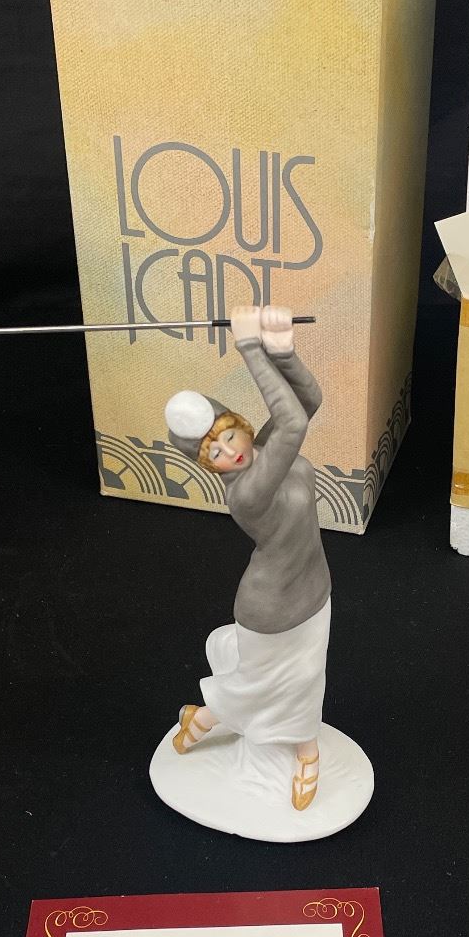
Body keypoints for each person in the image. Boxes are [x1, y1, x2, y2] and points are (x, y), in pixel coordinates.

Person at [164, 304, 330, 811]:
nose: (230, 452)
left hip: (314, 591)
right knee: (267, 685)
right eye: (214, 452)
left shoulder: (262, 448)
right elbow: (293, 424)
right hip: (270, 608)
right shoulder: (247, 493)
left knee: (301, 680)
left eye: (229, 435)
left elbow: (308, 402)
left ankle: (203, 720)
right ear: (208, 466)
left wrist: (282, 350)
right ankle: (301, 752)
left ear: (240, 425)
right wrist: (250, 346)